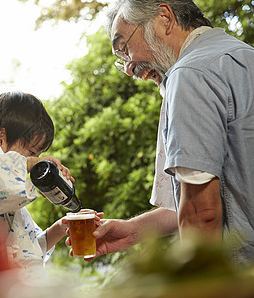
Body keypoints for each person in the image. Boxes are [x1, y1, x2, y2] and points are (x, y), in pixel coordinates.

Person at [78, 0, 254, 265]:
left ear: (164, 17)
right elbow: (229, 191)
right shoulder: (243, 56)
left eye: (124, 48)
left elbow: (201, 213)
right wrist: (131, 232)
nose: (128, 67)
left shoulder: (189, 75)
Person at [0, 91, 75, 276]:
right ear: (0, 138)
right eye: (32, 152)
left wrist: (60, 228)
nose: (36, 159)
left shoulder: (8, 202)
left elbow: (29, 252)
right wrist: (30, 164)